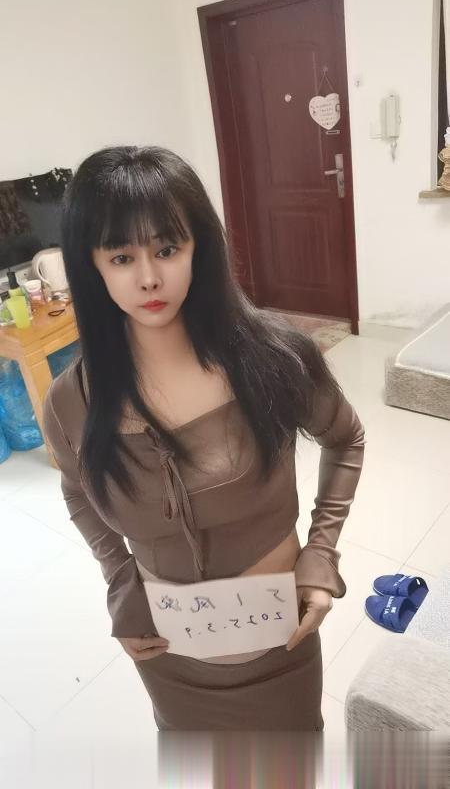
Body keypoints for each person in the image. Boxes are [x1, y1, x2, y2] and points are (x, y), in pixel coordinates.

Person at [43, 145, 365, 731]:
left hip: (280, 646)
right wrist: (120, 581)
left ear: (200, 247)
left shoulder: (276, 358)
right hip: (170, 658)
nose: (148, 277)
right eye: (121, 257)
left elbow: (346, 439)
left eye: (167, 249)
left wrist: (321, 553)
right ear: (92, 267)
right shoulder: (73, 401)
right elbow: (77, 489)